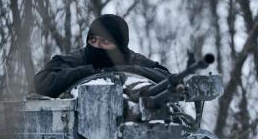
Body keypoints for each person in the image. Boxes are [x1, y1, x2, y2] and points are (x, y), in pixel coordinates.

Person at [34, 14, 169, 97]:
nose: (97, 46)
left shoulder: (133, 60)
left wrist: (128, 71)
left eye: (105, 41)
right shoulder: (79, 58)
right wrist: (86, 72)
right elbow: (40, 82)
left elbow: (168, 80)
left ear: (119, 45)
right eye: (93, 40)